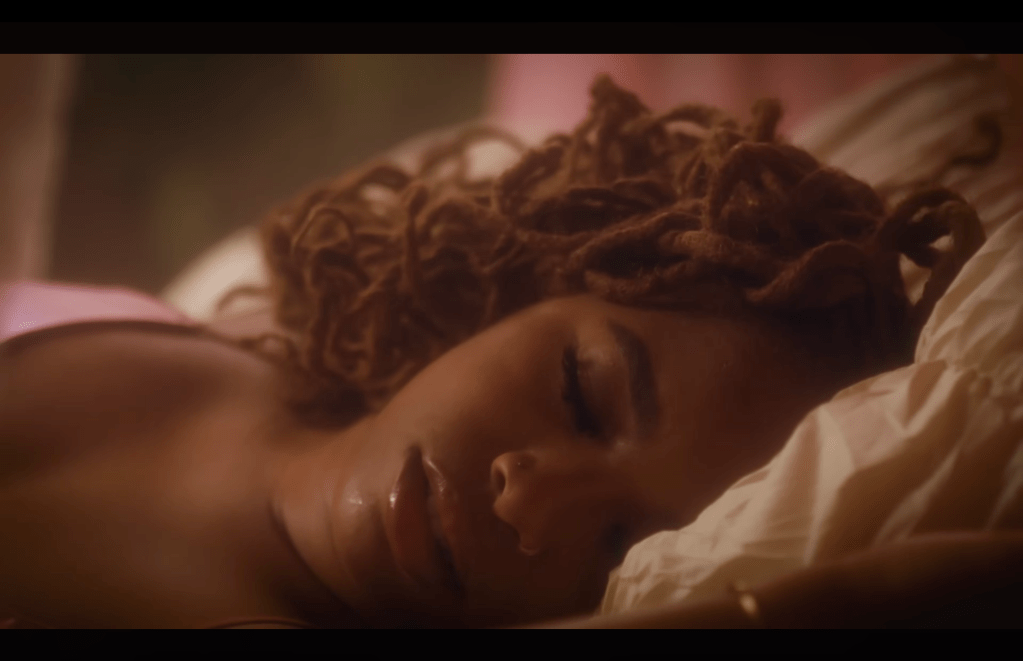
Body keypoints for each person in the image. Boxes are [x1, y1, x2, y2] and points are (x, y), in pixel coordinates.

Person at [0, 76, 1017, 629]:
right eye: (580, 393)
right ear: (526, 288)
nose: (529, 502)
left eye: (616, 545)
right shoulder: (234, 337)